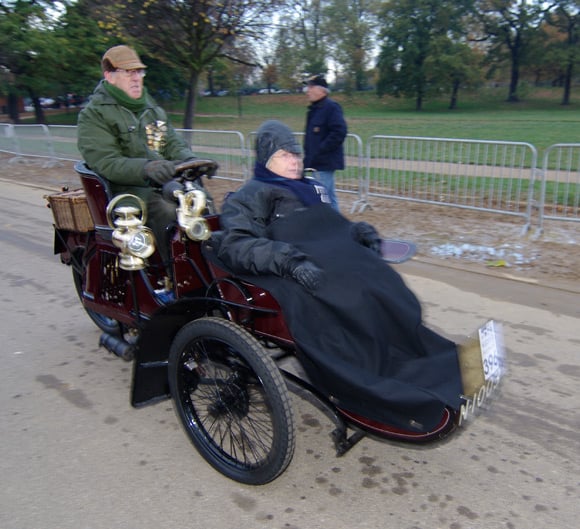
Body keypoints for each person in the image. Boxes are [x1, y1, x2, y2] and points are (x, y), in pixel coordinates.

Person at [211, 120, 464, 433]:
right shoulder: (248, 196)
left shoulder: (311, 188)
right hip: (291, 268)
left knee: (387, 284)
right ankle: (372, 381)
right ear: (266, 159)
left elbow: (331, 226)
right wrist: (289, 261)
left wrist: (359, 232)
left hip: (329, 259)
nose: (295, 161)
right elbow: (236, 244)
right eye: (285, 155)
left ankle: (417, 361)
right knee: (350, 297)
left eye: (297, 154)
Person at [77, 44, 207, 268]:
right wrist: (147, 168)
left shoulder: (152, 110)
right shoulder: (94, 114)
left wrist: (190, 162)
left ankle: (208, 268)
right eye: (129, 73)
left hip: (164, 184)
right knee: (167, 210)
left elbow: (172, 144)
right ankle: (170, 275)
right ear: (110, 76)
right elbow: (107, 162)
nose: (136, 78)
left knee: (202, 201)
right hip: (125, 192)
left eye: (139, 72)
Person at [303, 74, 347, 210]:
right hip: (315, 162)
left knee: (321, 199)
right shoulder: (314, 109)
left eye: (311, 87)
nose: (307, 90)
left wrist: (321, 150)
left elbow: (339, 132)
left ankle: (326, 228)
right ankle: (338, 228)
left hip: (324, 163)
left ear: (321, 90)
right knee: (329, 198)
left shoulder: (331, 107)